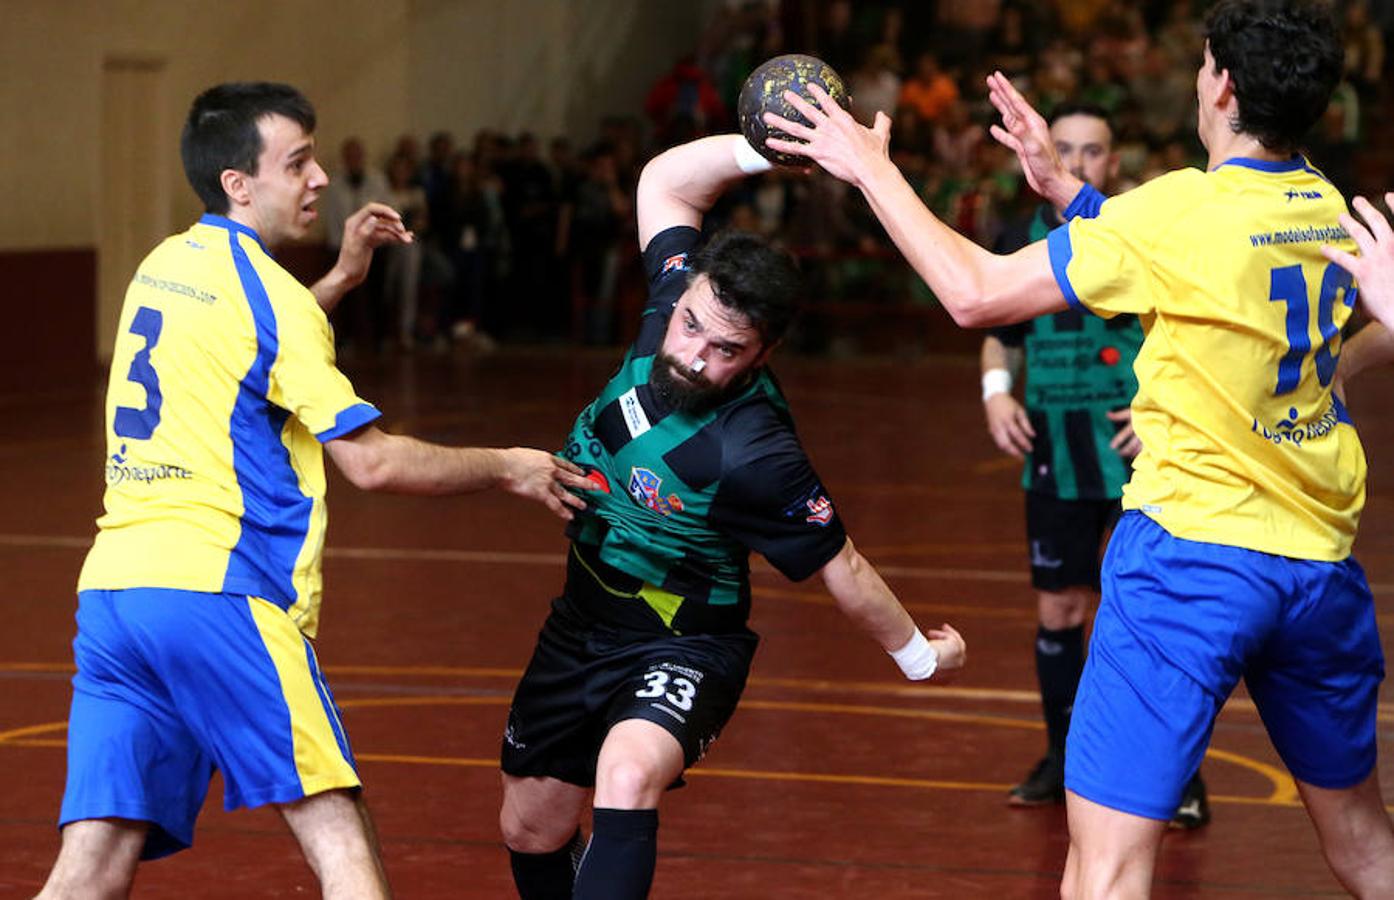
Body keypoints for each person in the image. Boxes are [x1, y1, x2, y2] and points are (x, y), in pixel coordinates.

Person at [765, 0, 1394, 895]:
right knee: (1364, 844)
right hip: (1318, 569)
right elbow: (1199, 266)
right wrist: (1067, 189)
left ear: (1221, 85)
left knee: (1105, 868)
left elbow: (975, 293)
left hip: (1191, 564)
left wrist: (872, 169)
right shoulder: (1325, 205)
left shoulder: (1180, 206)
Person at [36, 82, 593, 899]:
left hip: (115, 596)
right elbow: (374, 464)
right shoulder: (268, 296)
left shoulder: (163, 266)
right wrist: (511, 465)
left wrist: (338, 278)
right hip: (217, 591)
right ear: (238, 182)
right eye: (297, 162)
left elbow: (250, 342)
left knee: (90, 866)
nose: (321, 178)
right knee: (339, 835)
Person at [496, 132, 967, 900]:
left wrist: (919, 656)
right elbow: (665, 181)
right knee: (531, 830)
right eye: (691, 327)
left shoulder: (756, 451)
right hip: (579, 626)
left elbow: (842, 565)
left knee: (626, 774)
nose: (695, 356)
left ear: (761, 354)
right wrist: (776, 148)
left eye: (726, 350)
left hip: (684, 643)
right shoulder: (675, 301)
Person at [981, 102, 1208, 828]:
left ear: (1113, 161)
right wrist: (995, 391)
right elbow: (1000, 330)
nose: (1076, 161)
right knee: (1060, 612)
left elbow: (1196, 330)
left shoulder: (1142, 230)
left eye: (1091, 151)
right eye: (1064, 147)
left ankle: (1182, 777)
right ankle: (1061, 757)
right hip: (1056, 452)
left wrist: (1161, 406)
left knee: (1157, 614)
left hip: (1146, 453)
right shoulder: (1019, 236)